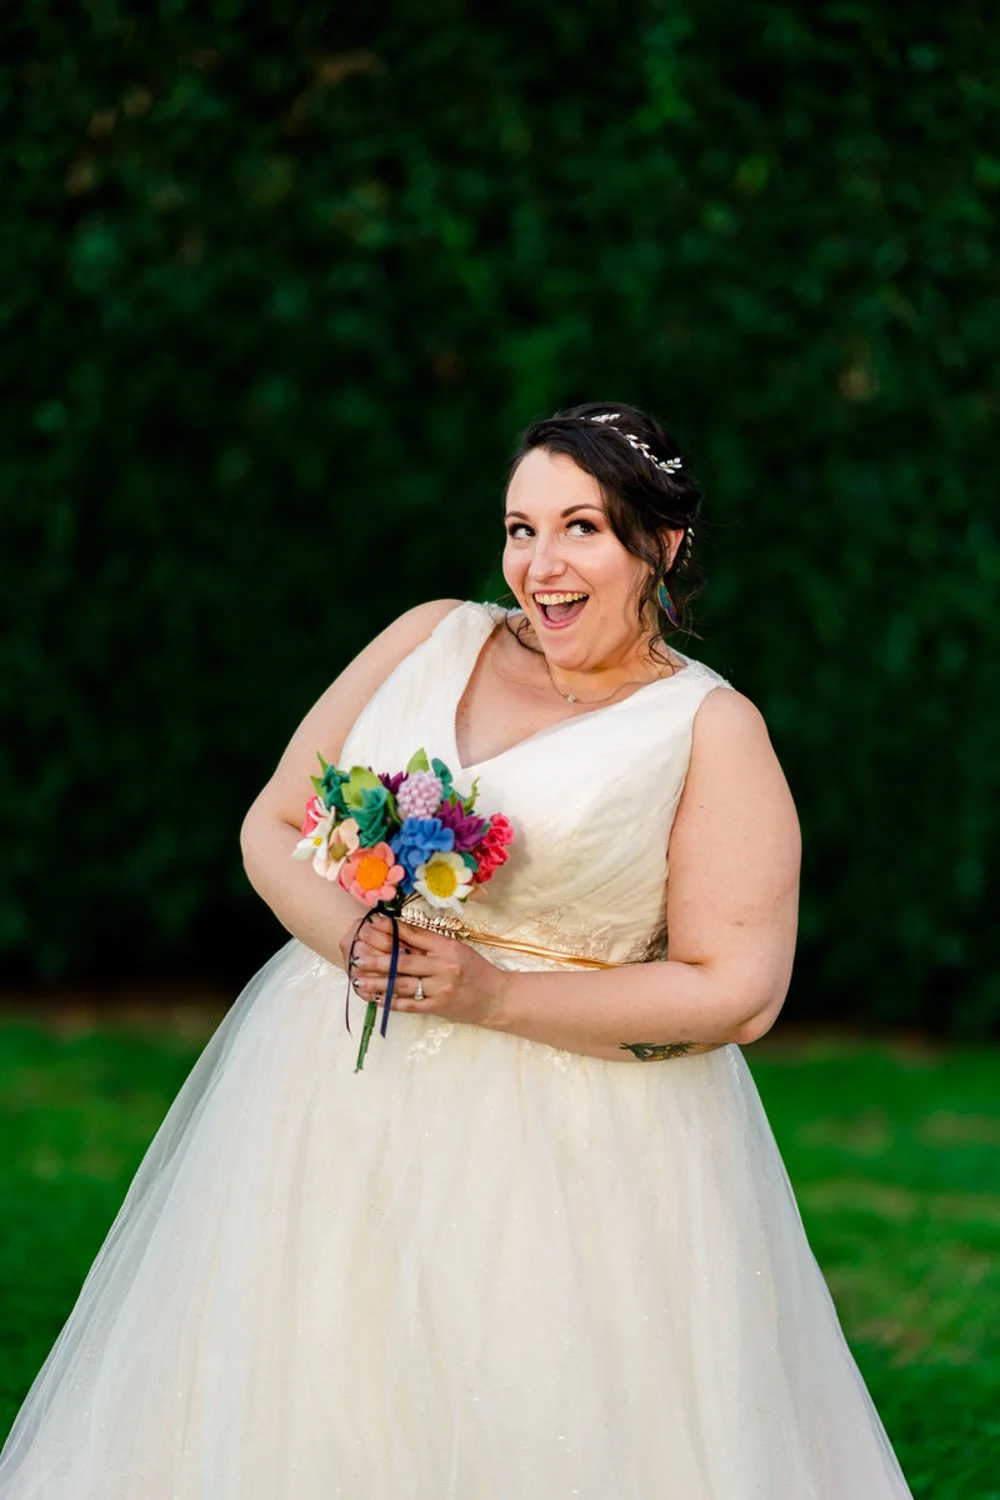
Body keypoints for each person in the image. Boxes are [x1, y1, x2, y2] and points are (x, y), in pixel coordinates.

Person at [0, 401, 914, 1498]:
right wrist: (356, 944)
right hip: (327, 1098)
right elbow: (273, 824)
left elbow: (740, 991)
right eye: (520, 528)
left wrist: (489, 994)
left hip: (574, 1140)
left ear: (660, 548)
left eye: (581, 527)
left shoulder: (708, 730)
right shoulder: (430, 636)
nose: (540, 563)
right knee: (300, 1393)